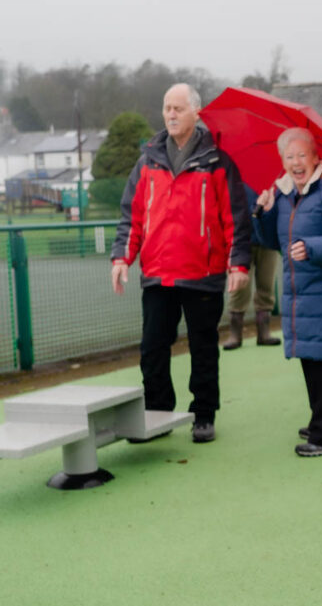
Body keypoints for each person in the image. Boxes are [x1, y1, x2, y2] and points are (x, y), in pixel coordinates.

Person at [111, 83, 250, 444]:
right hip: (157, 274)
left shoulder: (218, 161)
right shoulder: (147, 160)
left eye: (178, 108)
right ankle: (157, 413)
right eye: (166, 107)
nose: (170, 114)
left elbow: (235, 217)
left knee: (203, 348)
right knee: (152, 348)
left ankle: (204, 415)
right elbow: (132, 215)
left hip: (203, 275)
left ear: (195, 113)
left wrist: (238, 264)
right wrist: (121, 258)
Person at [256, 127, 322, 457]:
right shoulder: (285, 194)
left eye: (302, 155)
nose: (296, 162)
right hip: (301, 294)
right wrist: (265, 211)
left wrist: (312, 247)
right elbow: (272, 241)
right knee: (312, 361)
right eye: (289, 157)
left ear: (316, 158)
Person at [222, 183, 282, 350]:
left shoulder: (272, 179)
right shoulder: (235, 179)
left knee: (266, 285)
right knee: (239, 288)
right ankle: (235, 334)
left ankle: (264, 332)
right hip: (242, 239)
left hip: (267, 237)